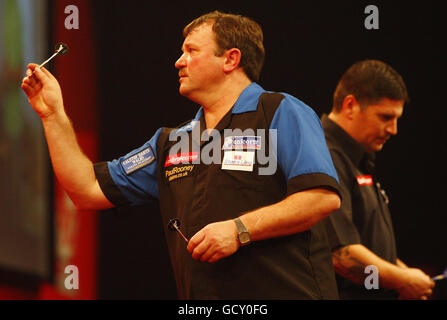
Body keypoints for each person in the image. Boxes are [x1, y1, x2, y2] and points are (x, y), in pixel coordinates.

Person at [22, 11, 342, 299]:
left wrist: (239, 229)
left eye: (191, 51)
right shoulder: (174, 142)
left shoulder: (280, 111)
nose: (178, 61)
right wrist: (53, 116)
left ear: (230, 59)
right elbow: (86, 189)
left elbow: (320, 197)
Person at [321, 60, 435, 299]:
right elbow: (341, 255)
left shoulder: (357, 157)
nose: (393, 129)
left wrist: (404, 274)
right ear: (350, 105)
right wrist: (402, 279)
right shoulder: (325, 155)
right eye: (385, 117)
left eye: (396, 119)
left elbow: (369, 242)